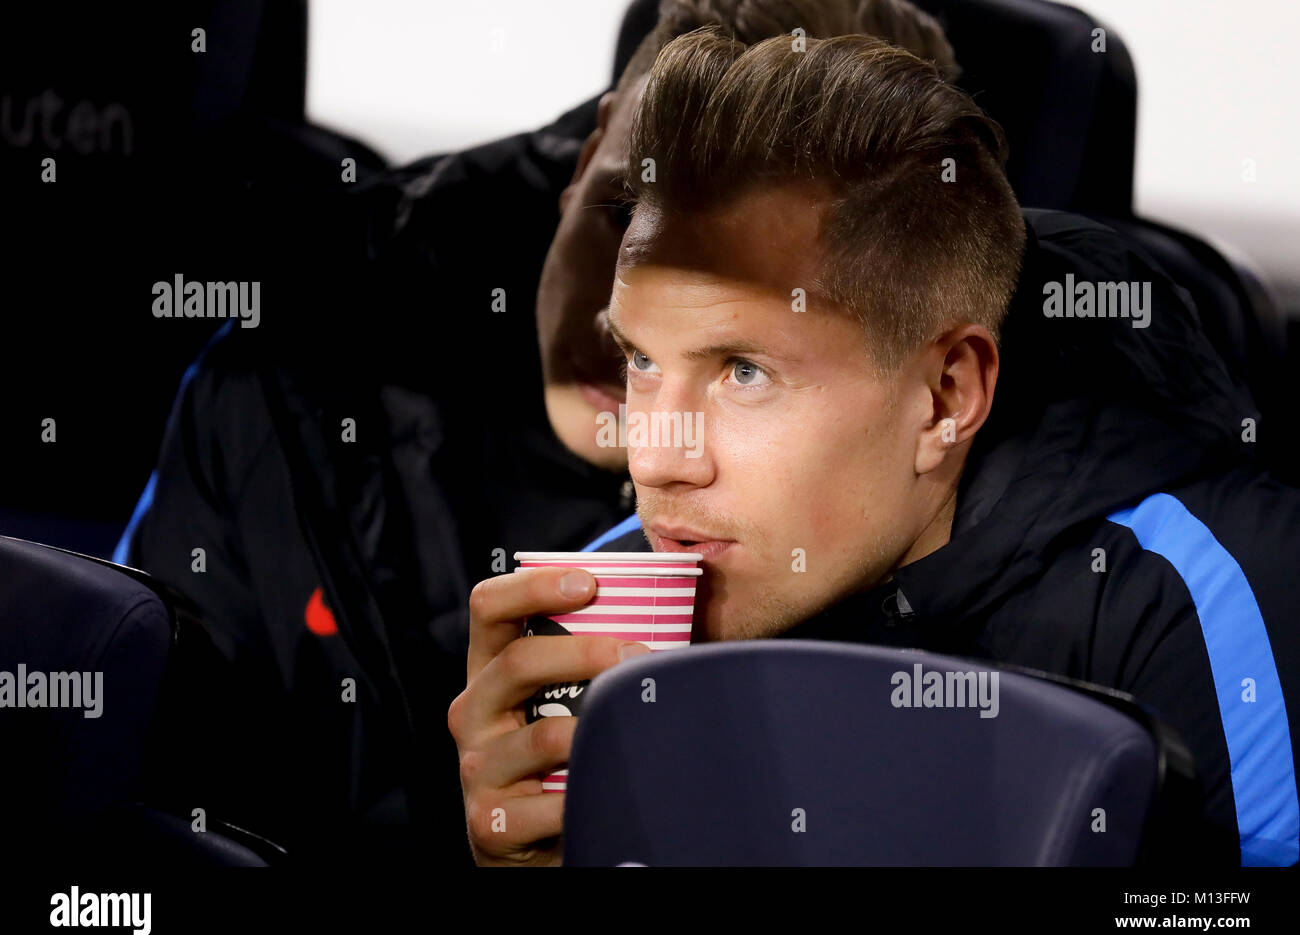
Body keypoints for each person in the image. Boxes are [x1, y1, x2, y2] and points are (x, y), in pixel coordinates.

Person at [114, 0, 959, 865]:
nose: (615, 319)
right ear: (588, 152)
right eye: (617, 212)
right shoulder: (286, 376)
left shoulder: (950, 551)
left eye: (739, 330)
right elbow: (133, 804)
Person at [451, 28, 1300, 867]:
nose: (658, 461)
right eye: (641, 360)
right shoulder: (610, 576)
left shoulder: (1206, 597)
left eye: (744, 372)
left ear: (945, 397)